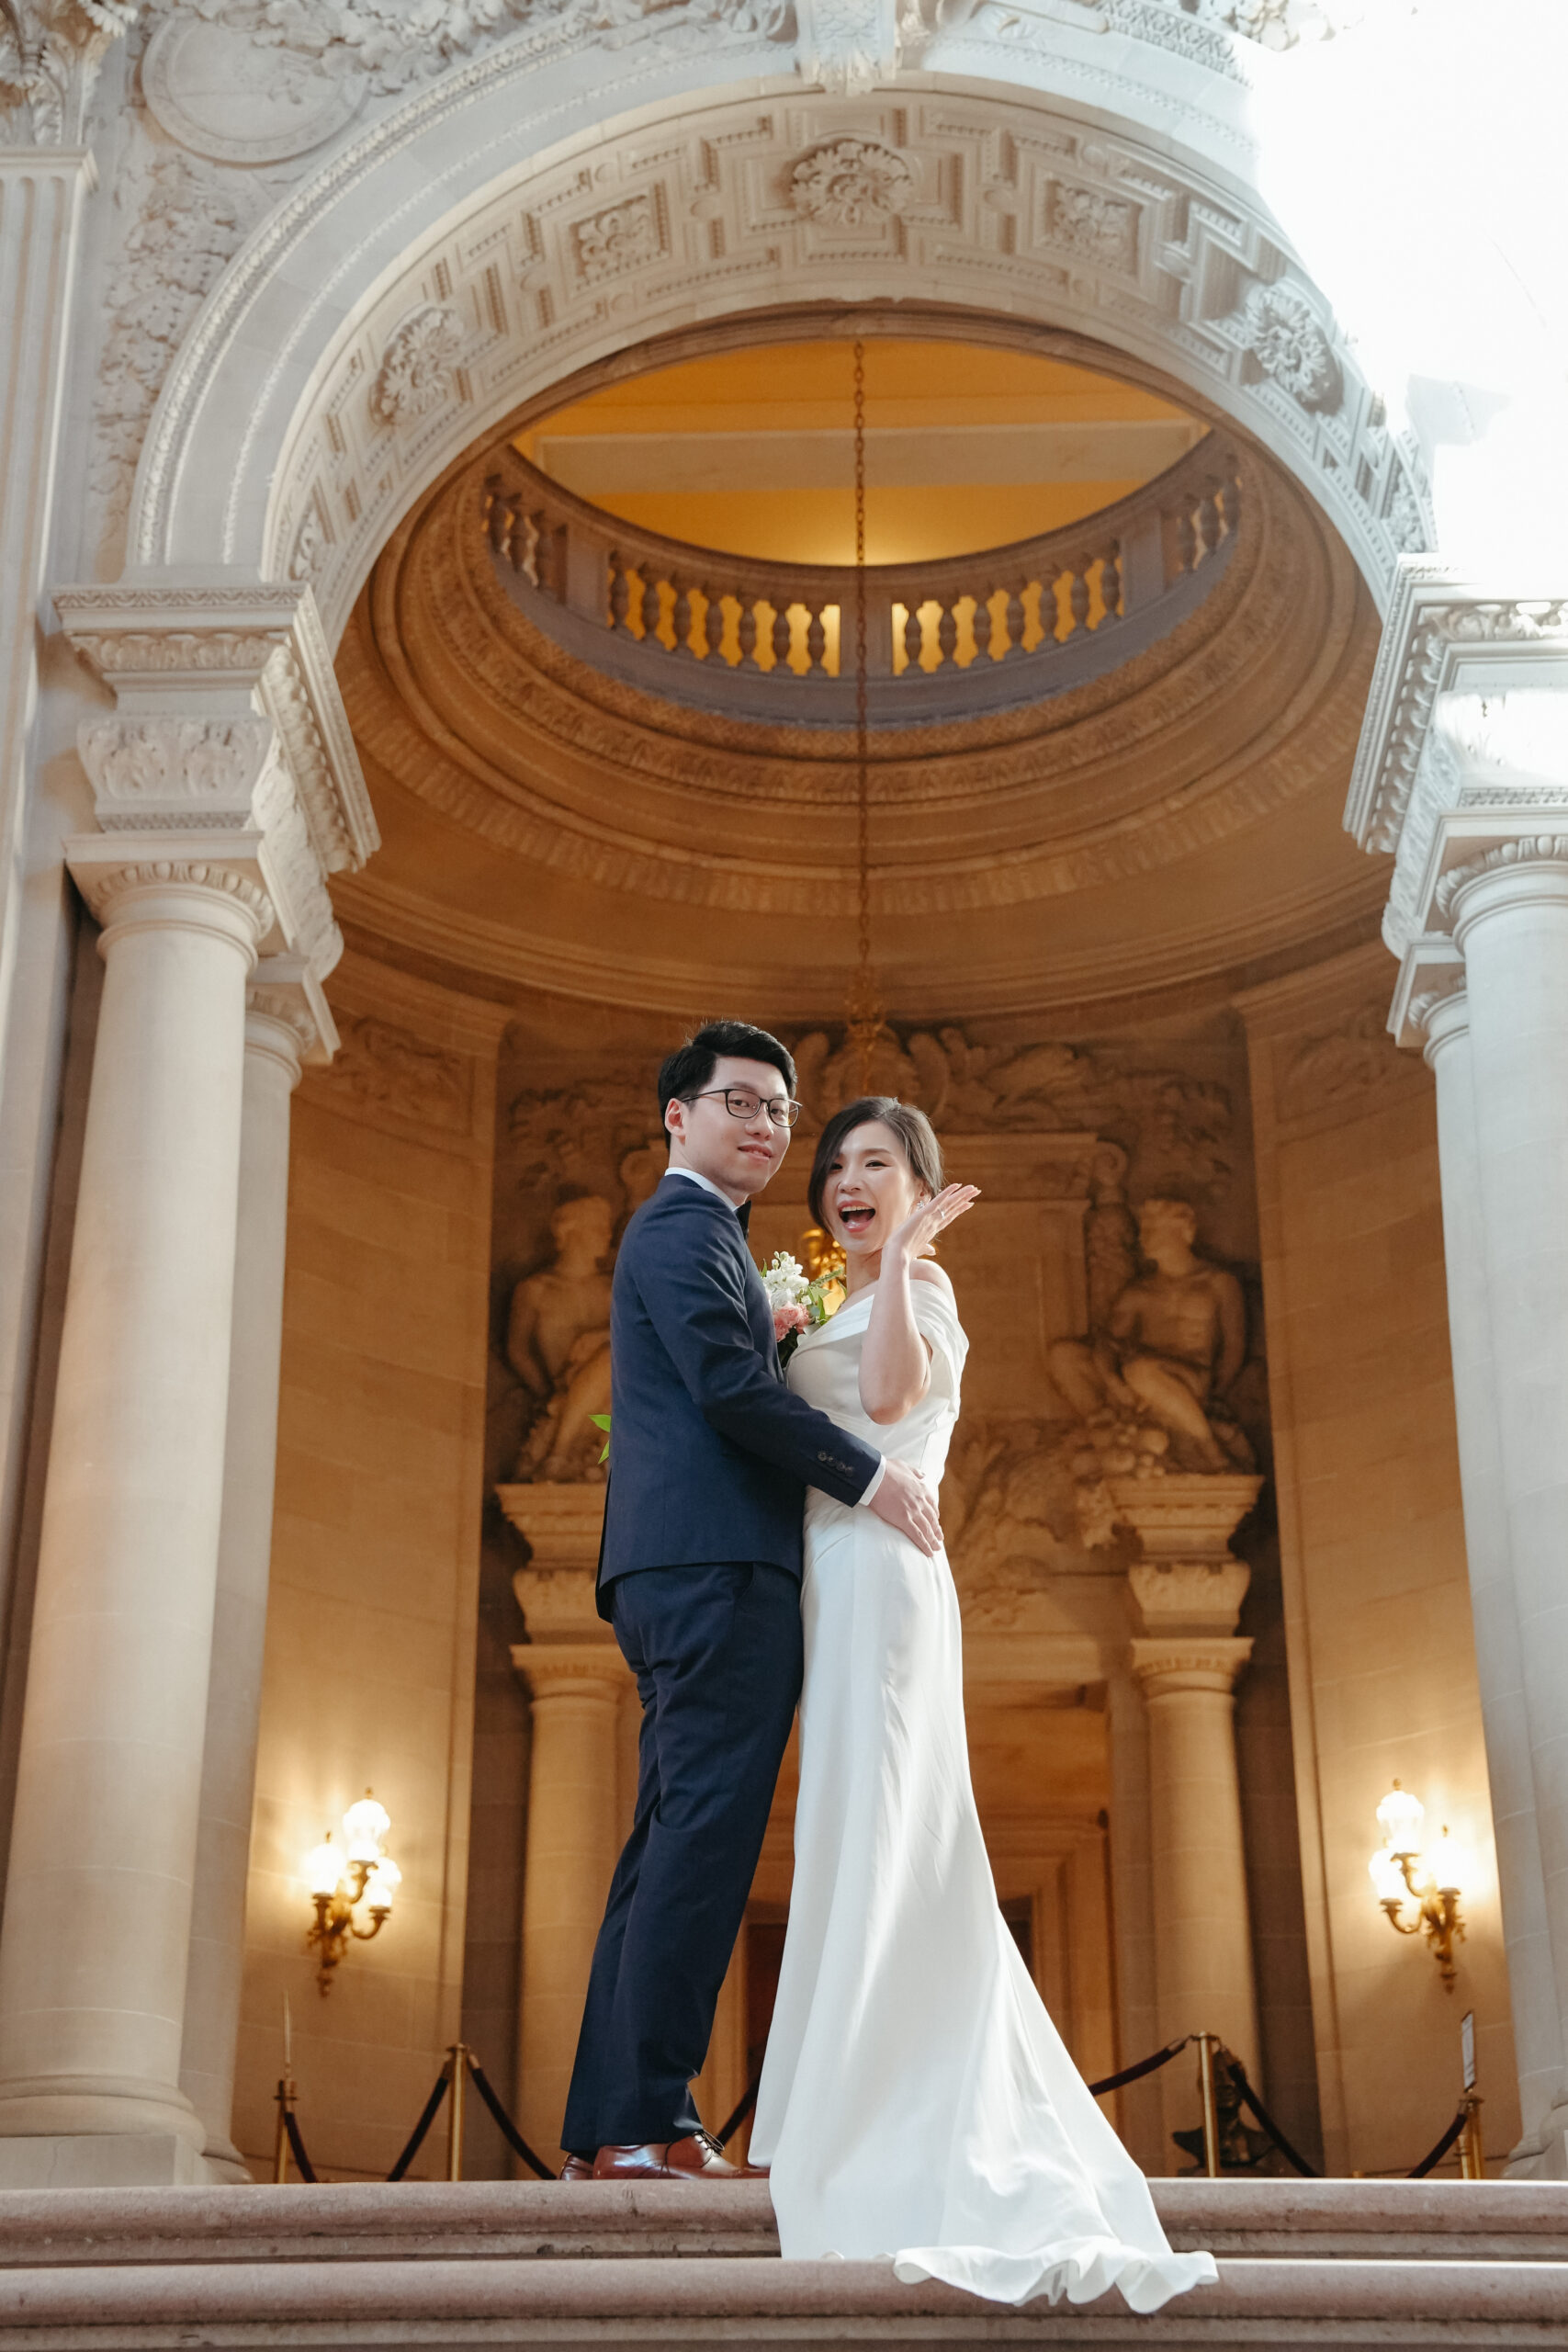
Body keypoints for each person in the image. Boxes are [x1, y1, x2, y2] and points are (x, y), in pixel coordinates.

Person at [749, 1095, 1218, 2314]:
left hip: (883, 1579)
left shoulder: (926, 1292)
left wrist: (901, 1265)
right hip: (823, 1575)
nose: (852, 1181)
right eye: (839, 1165)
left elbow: (895, 1406)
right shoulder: (803, 1297)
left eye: (880, 1165)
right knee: (854, 1828)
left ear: (917, 1189)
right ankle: (853, 2092)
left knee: (888, 1827)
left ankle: (881, 2109)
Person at [558, 1024, 944, 2183]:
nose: (768, 1127)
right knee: (701, 1848)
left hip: (690, 1568)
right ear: (678, 1115)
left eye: (779, 1109)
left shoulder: (711, 1235)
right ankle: (647, 2119)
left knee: (668, 1844)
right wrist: (874, 1477)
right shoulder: (683, 1228)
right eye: (741, 1103)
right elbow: (729, 1388)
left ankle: (614, 2123)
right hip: (716, 1570)